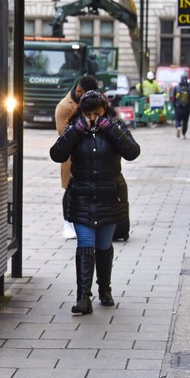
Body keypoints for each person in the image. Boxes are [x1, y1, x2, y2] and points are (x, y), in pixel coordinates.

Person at [50, 90, 141, 315]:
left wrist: (109, 129)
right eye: (88, 113)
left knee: (103, 246)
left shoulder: (115, 126)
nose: (92, 118)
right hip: (82, 196)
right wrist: (76, 131)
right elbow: (57, 154)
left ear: (105, 111)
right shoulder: (75, 127)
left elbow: (132, 152)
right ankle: (83, 297)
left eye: (97, 113)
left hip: (109, 197)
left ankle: (105, 289)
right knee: (85, 245)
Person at [54, 74, 99, 240]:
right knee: (70, 189)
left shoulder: (93, 100)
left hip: (92, 153)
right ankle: (67, 222)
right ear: (79, 91)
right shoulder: (65, 107)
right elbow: (62, 134)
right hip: (72, 155)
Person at [172, 74, 190, 138]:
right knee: (185, 121)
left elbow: (174, 99)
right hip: (187, 107)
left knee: (177, 119)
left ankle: (178, 127)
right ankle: (184, 134)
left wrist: (174, 106)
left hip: (178, 107)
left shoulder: (176, 87)